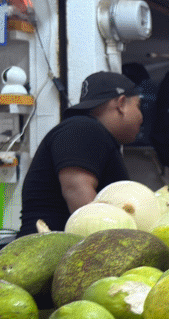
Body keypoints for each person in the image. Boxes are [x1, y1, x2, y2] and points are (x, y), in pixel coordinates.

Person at [18, 71, 143, 236]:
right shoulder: (83, 128)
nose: (141, 117)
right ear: (121, 104)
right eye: (138, 106)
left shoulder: (88, 131)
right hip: (51, 249)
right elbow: (78, 195)